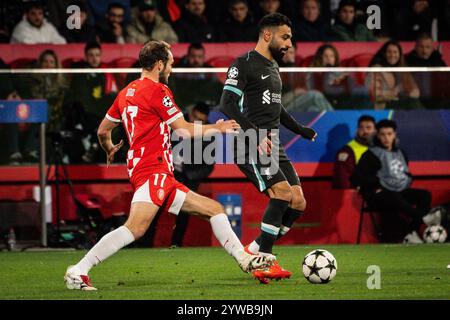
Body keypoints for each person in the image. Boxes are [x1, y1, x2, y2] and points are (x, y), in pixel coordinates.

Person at [64, 40, 269, 290]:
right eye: (170, 64)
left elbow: (103, 130)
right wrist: (218, 127)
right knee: (135, 228)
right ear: (159, 64)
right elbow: (182, 131)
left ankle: (244, 259)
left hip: (154, 172)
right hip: (153, 170)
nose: (171, 69)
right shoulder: (158, 91)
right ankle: (79, 270)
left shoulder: (126, 92)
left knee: (213, 209)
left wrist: (109, 148)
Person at [219, 13, 317, 283]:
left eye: (290, 38)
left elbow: (277, 108)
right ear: (267, 35)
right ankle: (264, 259)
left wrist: (300, 129)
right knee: (282, 193)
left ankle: (253, 249)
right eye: (285, 37)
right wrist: (254, 133)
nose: (289, 43)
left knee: (298, 202)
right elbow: (226, 104)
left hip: (272, 143)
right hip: (249, 142)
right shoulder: (243, 64)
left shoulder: (274, 67)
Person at [351, 119, 441, 244]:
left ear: (394, 134)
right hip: (377, 194)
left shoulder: (400, 153)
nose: (386, 138)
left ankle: (411, 232)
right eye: (382, 134)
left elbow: (403, 173)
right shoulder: (370, 154)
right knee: (393, 196)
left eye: (389, 134)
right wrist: (377, 182)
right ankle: (424, 218)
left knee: (424, 195)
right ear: (377, 135)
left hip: (398, 191)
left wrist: (407, 178)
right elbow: (356, 178)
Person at [170, 103, 215, 247]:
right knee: (156, 208)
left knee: (184, 213)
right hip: (169, 173)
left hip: (188, 178)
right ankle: (145, 244)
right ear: (192, 113)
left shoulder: (208, 134)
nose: (198, 123)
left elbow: (209, 166)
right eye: (196, 118)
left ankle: (176, 244)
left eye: (202, 121)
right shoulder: (175, 123)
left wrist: (191, 177)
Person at [366, 41, 423, 110]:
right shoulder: (376, 68)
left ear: (399, 54)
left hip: (402, 104)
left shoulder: (403, 69)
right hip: (383, 106)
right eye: (389, 52)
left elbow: (416, 92)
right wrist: (394, 92)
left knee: (415, 103)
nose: (392, 55)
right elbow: (374, 94)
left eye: (395, 52)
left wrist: (405, 92)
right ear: (384, 53)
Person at [280, 43, 334, 112]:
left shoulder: (298, 71)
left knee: (314, 109)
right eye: (285, 53)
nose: (288, 56)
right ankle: (337, 119)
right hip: (283, 109)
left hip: (299, 105)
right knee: (315, 95)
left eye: (291, 53)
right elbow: (276, 102)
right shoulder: (273, 71)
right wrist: (295, 93)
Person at [332, 115, 376, 189]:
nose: (365, 131)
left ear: (375, 130)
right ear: (357, 130)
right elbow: (343, 180)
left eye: (368, 128)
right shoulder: (347, 150)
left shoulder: (378, 148)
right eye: (361, 127)